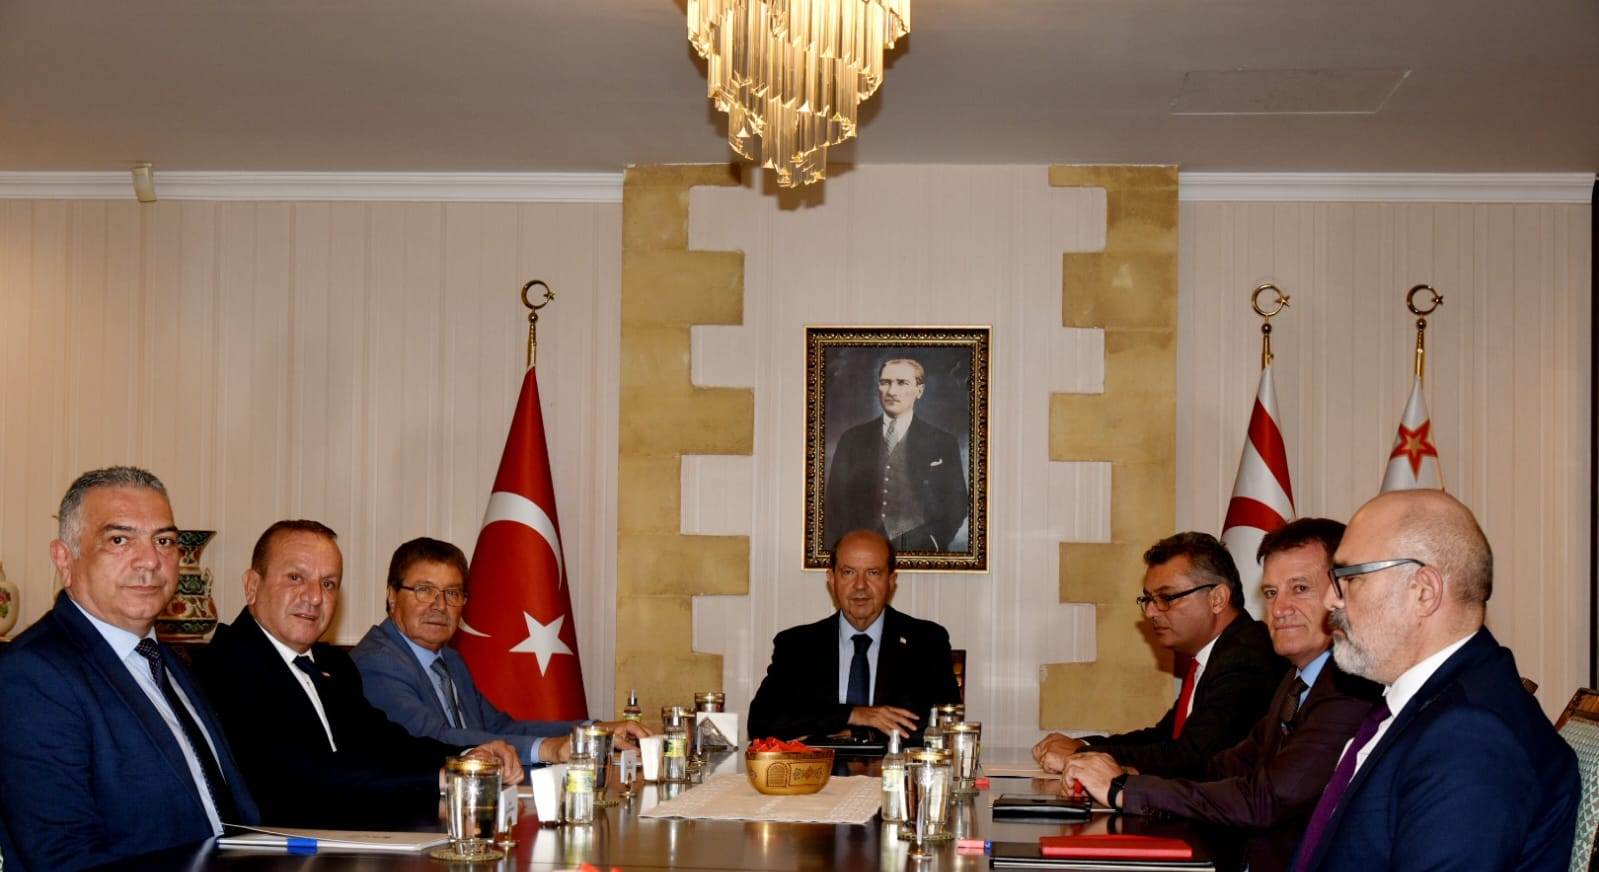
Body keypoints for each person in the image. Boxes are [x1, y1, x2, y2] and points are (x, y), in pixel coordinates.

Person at [1062, 518, 1381, 872]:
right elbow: (1219, 767)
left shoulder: (1351, 687)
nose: (1279, 609)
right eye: (1271, 593)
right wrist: (1121, 775)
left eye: (1300, 588)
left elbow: (1266, 800)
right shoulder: (1296, 681)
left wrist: (1123, 788)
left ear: (1343, 593)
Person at [1292, 490, 1578, 871]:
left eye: (1350, 577)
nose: (1330, 599)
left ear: (1424, 592)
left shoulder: (1471, 737)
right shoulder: (1431, 701)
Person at [0, 467, 259, 870]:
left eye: (164, 541)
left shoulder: (167, 662)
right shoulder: (34, 674)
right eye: (119, 540)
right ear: (65, 559)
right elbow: (61, 858)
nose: (150, 560)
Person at [194, 520, 523, 829]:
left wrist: (467, 758)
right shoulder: (226, 666)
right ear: (252, 586)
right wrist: (442, 779)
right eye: (295, 578)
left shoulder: (331, 664)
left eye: (328, 584)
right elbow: (303, 780)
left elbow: (384, 743)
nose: (314, 597)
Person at [352, 536, 649, 764]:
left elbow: (500, 727)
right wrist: (548, 749)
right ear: (392, 596)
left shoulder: (449, 660)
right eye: (424, 590)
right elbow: (434, 738)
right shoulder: (377, 661)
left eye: (452, 593)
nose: (439, 605)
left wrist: (594, 732)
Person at [1034, 532, 1287, 777]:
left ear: (1217, 599)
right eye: (1148, 599)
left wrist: (1080, 755)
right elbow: (1164, 737)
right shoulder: (1220, 652)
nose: (1151, 612)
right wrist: (1084, 746)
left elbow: (1191, 757)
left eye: (1166, 598)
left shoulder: (1245, 658)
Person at [747, 529, 961, 742]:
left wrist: (859, 733)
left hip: (892, 764)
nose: (860, 585)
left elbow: (944, 724)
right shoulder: (798, 645)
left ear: (891, 580)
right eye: (848, 572)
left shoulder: (926, 641)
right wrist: (853, 715)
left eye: (873, 573)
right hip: (819, 766)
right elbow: (761, 722)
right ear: (832, 579)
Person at [824, 357, 969, 552]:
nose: (892, 391)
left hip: (921, 549)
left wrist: (934, 540)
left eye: (902, 383)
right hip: (863, 550)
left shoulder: (943, 442)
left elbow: (957, 504)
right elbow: (834, 503)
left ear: (919, 390)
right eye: (885, 382)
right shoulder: (851, 439)